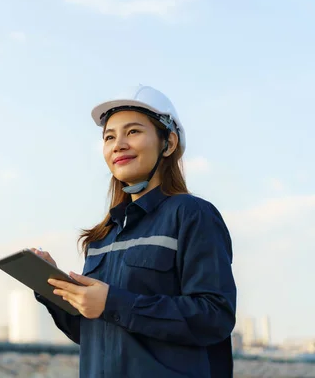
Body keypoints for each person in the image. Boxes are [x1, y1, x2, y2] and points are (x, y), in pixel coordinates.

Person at [30, 85, 237, 378]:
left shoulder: (191, 214)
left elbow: (214, 316)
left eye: (133, 132)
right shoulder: (103, 236)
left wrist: (113, 302)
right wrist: (52, 289)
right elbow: (93, 332)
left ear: (168, 143)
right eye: (109, 137)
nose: (118, 144)